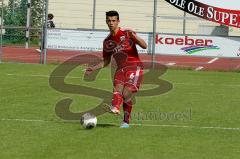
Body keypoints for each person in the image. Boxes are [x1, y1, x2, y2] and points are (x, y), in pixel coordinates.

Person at [85, 10, 147, 128]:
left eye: (113, 20)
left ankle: (126, 121)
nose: (111, 23)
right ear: (106, 22)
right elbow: (106, 61)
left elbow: (144, 46)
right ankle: (116, 108)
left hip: (134, 66)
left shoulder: (127, 34)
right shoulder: (107, 41)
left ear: (118, 21)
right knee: (117, 90)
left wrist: (135, 36)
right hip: (120, 69)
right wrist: (93, 68)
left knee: (126, 93)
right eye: (109, 20)